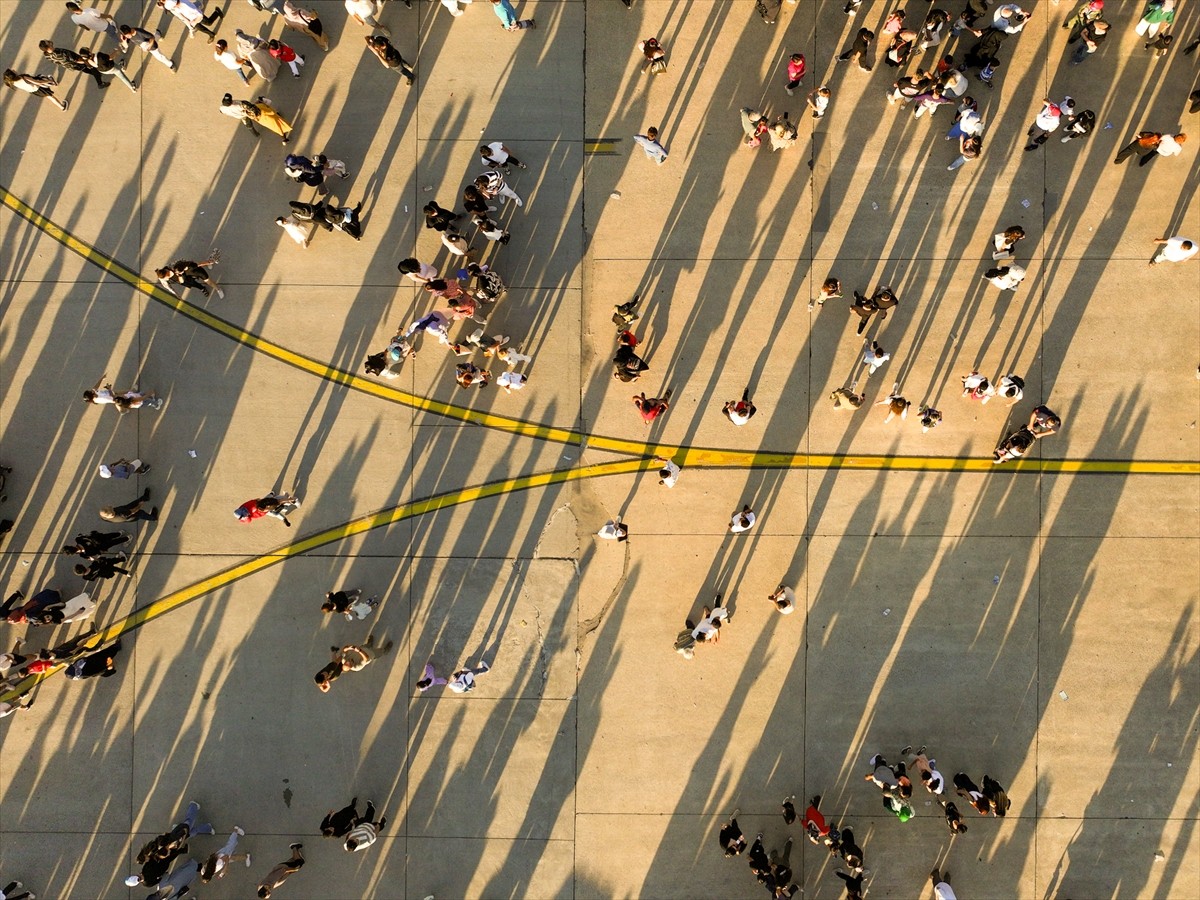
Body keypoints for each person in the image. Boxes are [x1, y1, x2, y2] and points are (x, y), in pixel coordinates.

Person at [38, 40, 106, 89]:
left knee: (85, 70)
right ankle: (100, 82)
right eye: (48, 42)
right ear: (48, 47)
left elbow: (55, 62)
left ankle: (96, 74)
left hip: (69, 65)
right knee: (91, 68)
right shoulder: (59, 53)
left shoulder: (46, 55)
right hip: (77, 63)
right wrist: (86, 61)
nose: (49, 41)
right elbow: (75, 60)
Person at [156, 252, 224, 298]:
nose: (168, 278)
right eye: (166, 277)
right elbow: (177, 283)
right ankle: (202, 288)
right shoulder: (162, 278)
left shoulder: (176, 267)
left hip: (191, 271)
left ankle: (218, 289)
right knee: (193, 284)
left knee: (207, 280)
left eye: (167, 275)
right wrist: (176, 294)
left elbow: (198, 264)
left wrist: (209, 262)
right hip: (186, 278)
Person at [159, 0, 223, 42]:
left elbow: (200, 15)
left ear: (174, 5)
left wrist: (194, 21)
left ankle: (217, 12)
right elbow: (181, 15)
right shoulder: (175, 7)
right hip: (191, 19)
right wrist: (188, 21)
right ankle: (211, 34)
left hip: (197, 17)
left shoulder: (187, 6)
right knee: (201, 28)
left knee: (209, 23)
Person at [3, 69, 68, 110]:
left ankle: (53, 83)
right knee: (50, 95)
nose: (13, 69)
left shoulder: (13, 83)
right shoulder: (23, 77)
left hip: (33, 91)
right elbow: (38, 82)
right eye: (12, 70)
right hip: (38, 87)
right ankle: (62, 107)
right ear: (13, 74)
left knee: (49, 96)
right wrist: (48, 81)